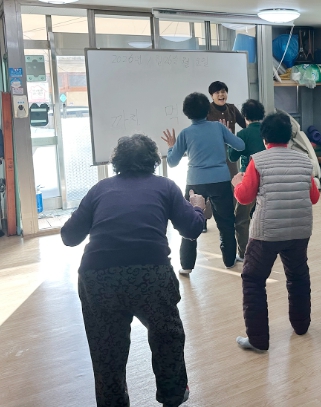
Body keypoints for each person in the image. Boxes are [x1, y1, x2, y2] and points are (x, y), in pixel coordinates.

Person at [61, 134, 206, 407]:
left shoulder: (99, 189)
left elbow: (69, 237)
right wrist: (198, 207)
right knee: (167, 336)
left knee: (106, 349)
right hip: (151, 275)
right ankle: (173, 395)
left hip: (98, 278)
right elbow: (192, 229)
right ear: (153, 161)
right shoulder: (165, 186)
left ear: (117, 162)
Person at [231, 111, 320, 352]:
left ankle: (258, 340)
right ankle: (301, 326)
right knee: (298, 276)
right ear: (290, 137)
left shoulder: (258, 160)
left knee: (253, 279)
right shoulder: (305, 161)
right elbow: (314, 197)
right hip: (300, 230)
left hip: (266, 233)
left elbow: (245, 197)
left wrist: (237, 184)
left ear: (264, 138)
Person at [163, 92, 245, 274]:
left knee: (189, 221)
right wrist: (227, 134)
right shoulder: (218, 127)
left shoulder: (185, 133)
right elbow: (240, 145)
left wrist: (171, 146)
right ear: (208, 109)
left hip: (195, 182)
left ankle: (186, 265)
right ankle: (229, 261)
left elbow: (172, 162)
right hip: (220, 180)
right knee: (226, 222)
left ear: (187, 113)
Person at [228, 99, 267, 262]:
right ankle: (266, 249)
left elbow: (232, 157)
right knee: (263, 216)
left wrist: (229, 138)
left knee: (241, 218)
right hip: (268, 178)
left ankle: (244, 253)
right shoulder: (268, 132)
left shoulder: (243, 134)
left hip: (248, 179)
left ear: (244, 116)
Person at [207, 80, 247, 177]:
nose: (221, 95)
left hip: (230, 150)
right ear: (212, 96)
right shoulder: (207, 110)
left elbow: (245, 124)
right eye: (217, 92)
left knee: (233, 178)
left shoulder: (232, 108)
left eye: (223, 92)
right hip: (213, 151)